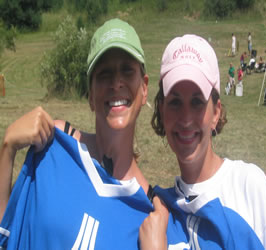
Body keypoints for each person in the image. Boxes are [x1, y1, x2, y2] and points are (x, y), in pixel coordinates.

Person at [0, 18, 154, 249]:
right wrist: (7, 149)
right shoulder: (53, 144)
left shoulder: (150, 212)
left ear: (144, 88)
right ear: (90, 95)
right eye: (104, 74)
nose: (116, 83)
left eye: (127, 70)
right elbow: (7, 233)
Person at [139, 34, 266, 249]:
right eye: (175, 102)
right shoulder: (160, 213)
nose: (185, 118)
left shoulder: (248, 187)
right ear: (162, 111)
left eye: (196, 102)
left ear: (216, 113)